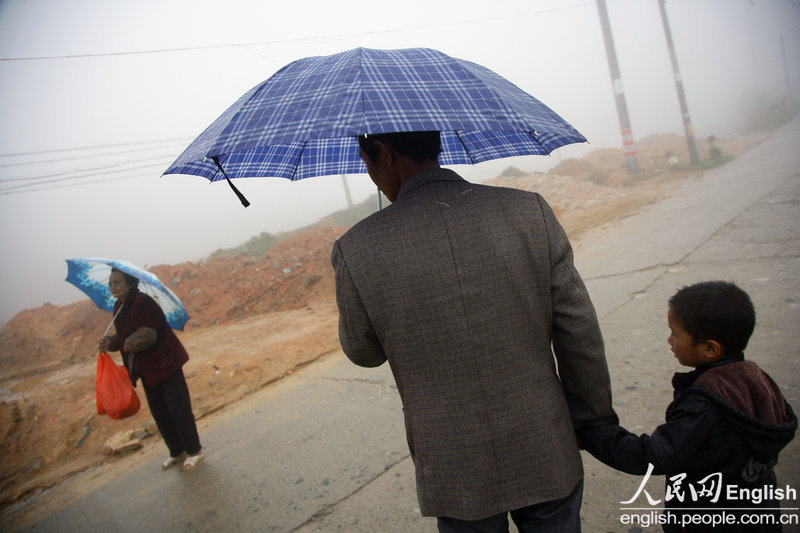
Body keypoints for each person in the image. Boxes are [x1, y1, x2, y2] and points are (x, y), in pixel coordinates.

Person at [331, 130, 617, 532]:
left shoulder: (355, 247)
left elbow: (363, 351)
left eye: (367, 164)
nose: (372, 178)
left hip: (453, 464)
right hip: (545, 443)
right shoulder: (527, 211)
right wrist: (593, 419)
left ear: (384, 153)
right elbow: (579, 330)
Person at [577, 281, 797, 532]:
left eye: (675, 333)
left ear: (710, 348)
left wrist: (594, 434)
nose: (669, 340)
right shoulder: (757, 381)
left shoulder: (704, 405)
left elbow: (653, 456)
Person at [99, 269, 203, 471]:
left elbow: (148, 334)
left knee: (178, 409)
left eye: (117, 282)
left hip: (166, 363)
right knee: (160, 413)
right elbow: (122, 336)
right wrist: (109, 342)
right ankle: (177, 451)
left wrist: (128, 343)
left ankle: (194, 450)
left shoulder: (142, 302)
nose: (112, 287)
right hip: (146, 369)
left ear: (129, 283)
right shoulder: (119, 307)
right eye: (110, 283)